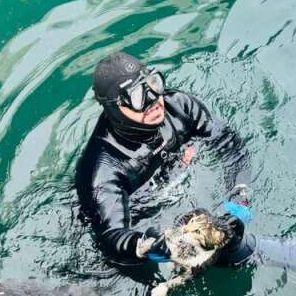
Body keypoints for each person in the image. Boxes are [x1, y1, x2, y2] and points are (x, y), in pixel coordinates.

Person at [75, 52, 252, 265]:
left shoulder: (179, 107)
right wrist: (143, 246)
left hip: (178, 187)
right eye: (137, 96)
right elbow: (112, 238)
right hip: (143, 213)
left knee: (234, 246)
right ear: (114, 107)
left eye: (153, 84)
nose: (153, 100)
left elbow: (232, 148)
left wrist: (238, 203)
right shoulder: (102, 168)